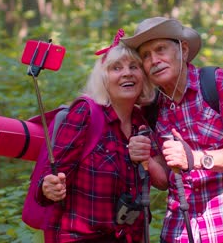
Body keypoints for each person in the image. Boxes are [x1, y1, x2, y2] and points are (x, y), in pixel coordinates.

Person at [123, 17, 223, 243]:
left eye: (160, 49)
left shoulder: (218, 82)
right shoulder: (152, 108)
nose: (154, 60)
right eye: (145, 56)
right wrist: (146, 159)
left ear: (183, 48)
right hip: (180, 229)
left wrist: (195, 159)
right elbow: (163, 181)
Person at [36, 29, 156, 243]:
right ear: (103, 78)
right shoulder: (86, 113)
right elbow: (52, 175)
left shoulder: (142, 124)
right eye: (116, 68)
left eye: (133, 67)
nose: (127, 73)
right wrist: (48, 187)